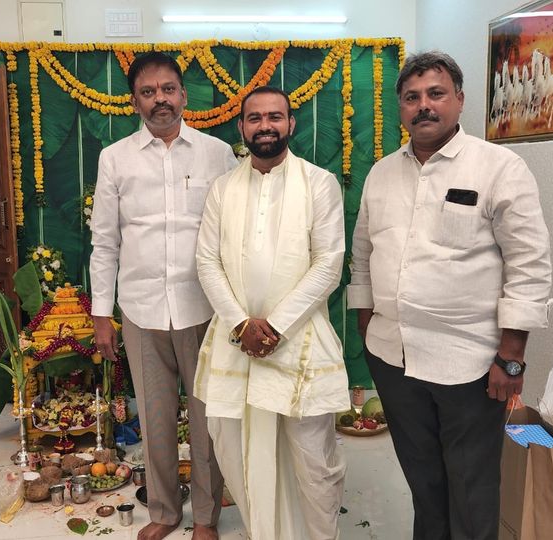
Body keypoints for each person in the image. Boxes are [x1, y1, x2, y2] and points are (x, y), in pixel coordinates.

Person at [347, 51, 552, 540]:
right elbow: (362, 254)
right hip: (393, 358)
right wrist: (367, 324)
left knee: (471, 486)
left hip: (470, 364)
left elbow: (529, 265)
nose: (424, 105)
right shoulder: (381, 174)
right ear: (400, 107)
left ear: (459, 99)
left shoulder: (499, 168)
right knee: (423, 481)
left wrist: (512, 357)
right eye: (412, 97)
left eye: (435, 94)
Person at [89, 51, 238, 540]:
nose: (160, 100)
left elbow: (232, 232)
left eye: (168, 89)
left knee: (207, 419)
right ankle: (165, 511)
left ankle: (206, 517)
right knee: (155, 419)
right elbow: (105, 241)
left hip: (203, 308)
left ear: (183, 95)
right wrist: (101, 314)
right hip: (141, 309)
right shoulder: (115, 158)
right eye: (148, 92)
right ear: (134, 101)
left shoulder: (217, 153)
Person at [194, 86, 350, 540]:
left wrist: (275, 326)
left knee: (313, 461)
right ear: (242, 127)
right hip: (235, 342)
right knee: (236, 451)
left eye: (275, 117)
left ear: (290, 124)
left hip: (299, 340)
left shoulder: (319, 183)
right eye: (256, 118)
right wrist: (241, 323)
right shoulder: (222, 188)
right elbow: (207, 261)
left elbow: (329, 264)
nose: (265, 126)